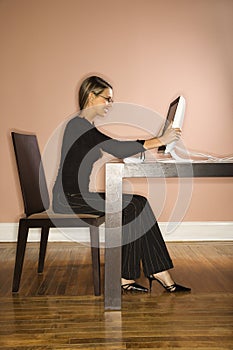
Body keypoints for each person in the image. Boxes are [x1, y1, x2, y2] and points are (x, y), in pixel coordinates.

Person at [52, 75, 191, 293]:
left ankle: (148, 273)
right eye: (107, 99)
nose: (110, 104)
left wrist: (152, 143)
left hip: (76, 195)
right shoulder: (77, 125)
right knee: (134, 206)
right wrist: (160, 141)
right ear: (91, 96)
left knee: (138, 203)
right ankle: (139, 275)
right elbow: (116, 148)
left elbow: (115, 146)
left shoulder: (84, 126)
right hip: (68, 199)